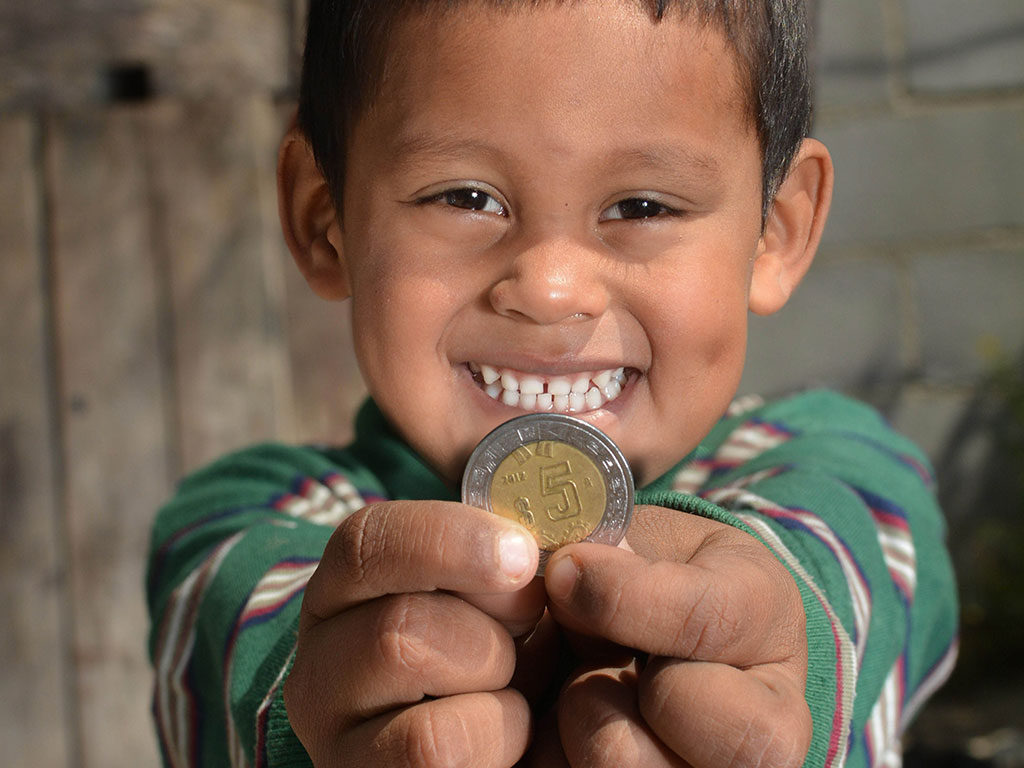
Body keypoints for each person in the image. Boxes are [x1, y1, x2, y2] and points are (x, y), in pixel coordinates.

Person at [146, 1, 958, 766]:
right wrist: (325, 714)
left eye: (641, 205)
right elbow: (237, 635)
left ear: (773, 231)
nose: (551, 287)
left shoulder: (839, 464)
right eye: (466, 197)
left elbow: (855, 562)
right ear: (326, 219)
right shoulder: (245, 516)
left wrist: (782, 656)